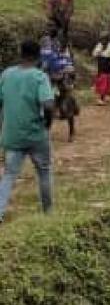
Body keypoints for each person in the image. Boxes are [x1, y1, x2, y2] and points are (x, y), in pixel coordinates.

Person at [0, 40, 55, 223]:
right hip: (35, 134)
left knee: (8, 175)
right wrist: (47, 122)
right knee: (44, 171)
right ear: (38, 55)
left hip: (12, 134)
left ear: (20, 53)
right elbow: (48, 104)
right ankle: (48, 213)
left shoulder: (6, 74)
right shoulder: (39, 76)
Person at [92, 32, 110, 105]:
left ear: (108, 39)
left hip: (108, 67)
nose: (103, 41)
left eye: (105, 39)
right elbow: (94, 54)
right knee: (102, 83)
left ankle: (107, 96)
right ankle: (101, 98)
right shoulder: (99, 46)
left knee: (109, 83)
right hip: (101, 68)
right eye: (102, 39)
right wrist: (99, 51)